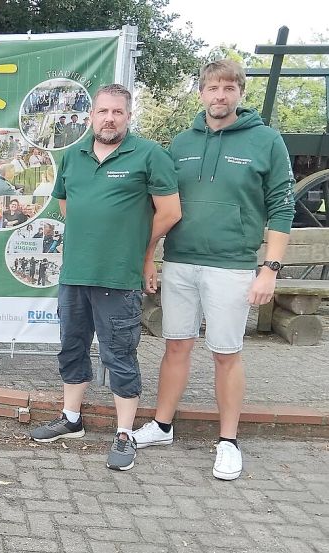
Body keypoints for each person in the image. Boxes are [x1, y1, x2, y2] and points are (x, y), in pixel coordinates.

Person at [132, 60, 295, 481]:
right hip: (181, 261)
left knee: (226, 353)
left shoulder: (266, 140)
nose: (219, 95)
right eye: (212, 88)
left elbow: (282, 205)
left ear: (240, 93)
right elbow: (160, 203)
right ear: (201, 92)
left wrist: (270, 269)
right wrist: (150, 256)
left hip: (233, 267)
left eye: (228, 88)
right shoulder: (181, 142)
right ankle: (162, 426)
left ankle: (228, 442)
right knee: (176, 346)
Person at [28, 84, 181, 472]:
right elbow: (68, 206)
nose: (109, 118)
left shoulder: (149, 155)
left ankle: (124, 434)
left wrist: (138, 250)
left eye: (117, 112)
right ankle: (71, 419)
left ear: (129, 117)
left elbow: (170, 212)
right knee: (72, 347)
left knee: (120, 356)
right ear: (90, 116)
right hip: (75, 274)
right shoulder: (73, 157)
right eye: (102, 112)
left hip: (119, 277)